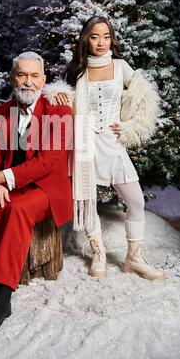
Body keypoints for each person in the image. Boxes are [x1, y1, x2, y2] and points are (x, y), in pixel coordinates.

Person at [43, 15, 165, 281]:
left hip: (112, 142)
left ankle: (134, 259)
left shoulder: (120, 66)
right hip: (85, 142)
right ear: (86, 39)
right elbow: (67, 104)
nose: (101, 42)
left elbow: (143, 97)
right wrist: (58, 94)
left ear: (112, 39)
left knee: (135, 200)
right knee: (88, 202)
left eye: (106, 36)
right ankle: (98, 253)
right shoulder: (78, 70)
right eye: (95, 36)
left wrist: (129, 126)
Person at [0, 51, 73, 334]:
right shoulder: (0, 113)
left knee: (18, 209)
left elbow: (49, 162)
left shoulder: (59, 111)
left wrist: (2, 178)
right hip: (12, 185)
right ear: (12, 77)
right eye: (22, 75)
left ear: (43, 80)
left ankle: (1, 296)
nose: (28, 82)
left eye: (34, 75)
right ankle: (3, 277)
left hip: (46, 187)